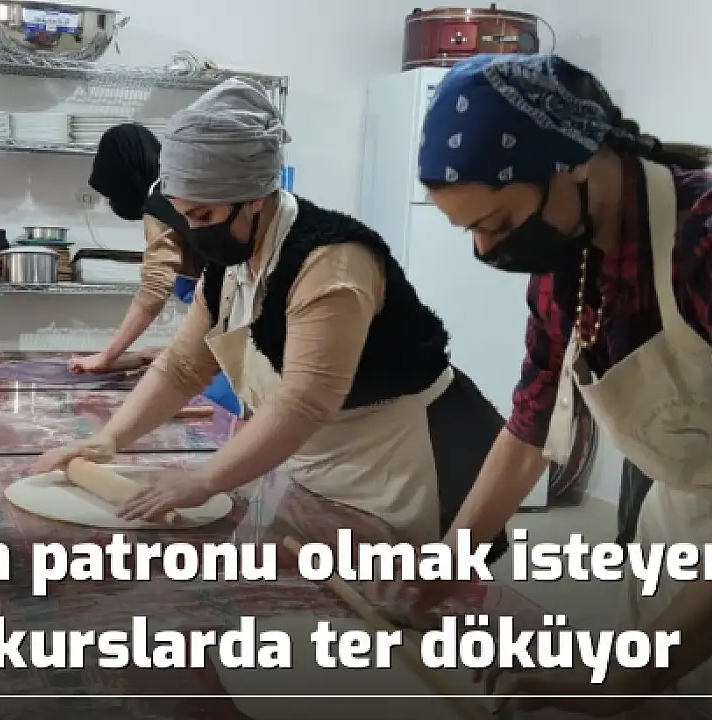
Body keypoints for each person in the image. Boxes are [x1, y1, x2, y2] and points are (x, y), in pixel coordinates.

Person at [410, 54, 712, 718]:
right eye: (471, 232)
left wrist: (620, 678)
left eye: (497, 223)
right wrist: (447, 564)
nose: (486, 251)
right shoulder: (565, 265)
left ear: (574, 163)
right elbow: (530, 429)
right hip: (682, 520)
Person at [36, 78, 509, 563]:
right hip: (320, 456)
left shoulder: (330, 261)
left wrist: (205, 479)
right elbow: (183, 366)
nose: (194, 232)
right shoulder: (231, 262)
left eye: (204, 215)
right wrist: (108, 440)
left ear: (255, 198)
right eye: (184, 216)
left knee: (408, 595)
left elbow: (304, 400)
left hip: (404, 461)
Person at [69, 123, 240, 415]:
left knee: (225, 416)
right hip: (240, 333)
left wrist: (107, 357)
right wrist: (152, 355)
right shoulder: (187, 189)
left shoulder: (161, 204)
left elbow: (155, 288)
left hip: (241, 345)